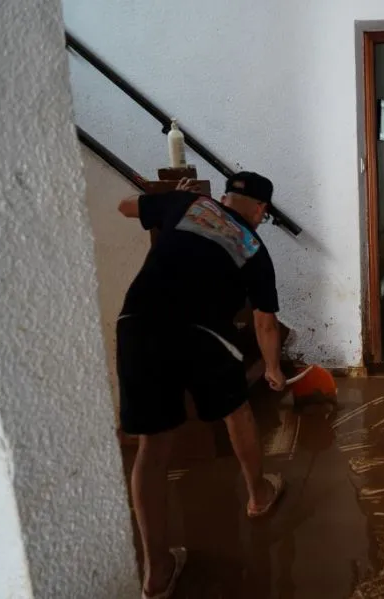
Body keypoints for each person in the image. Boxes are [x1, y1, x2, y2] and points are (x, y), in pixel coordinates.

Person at [116, 172, 287, 598]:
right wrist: (273, 370)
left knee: (152, 446)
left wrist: (170, 198)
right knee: (237, 411)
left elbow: (125, 206)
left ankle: (156, 572)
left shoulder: (189, 206)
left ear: (226, 196)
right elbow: (265, 323)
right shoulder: (254, 247)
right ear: (261, 211)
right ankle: (258, 495)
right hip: (203, 332)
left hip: (138, 324)